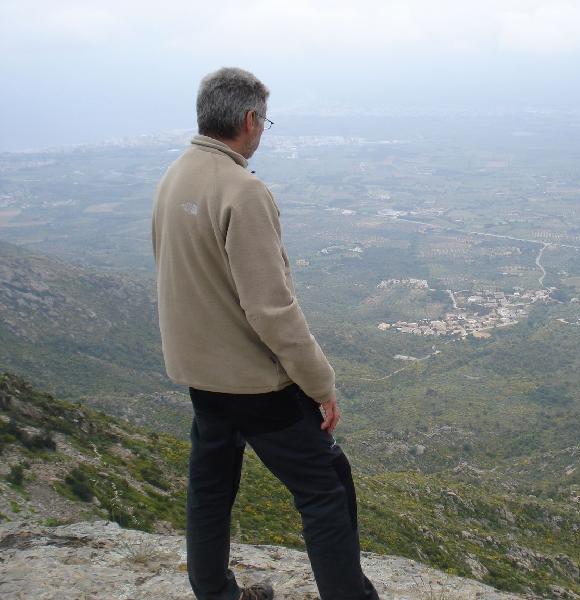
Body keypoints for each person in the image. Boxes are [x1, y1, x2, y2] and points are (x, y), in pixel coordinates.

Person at [152, 67, 379, 600]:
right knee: (325, 489)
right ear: (250, 120)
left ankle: (213, 591)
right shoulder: (242, 190)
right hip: (256, 385)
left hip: (200, 376)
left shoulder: (173, 177)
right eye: (265, 122)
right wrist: (321, 384)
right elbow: (271, 309)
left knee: (210, 489)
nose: (262, 132)